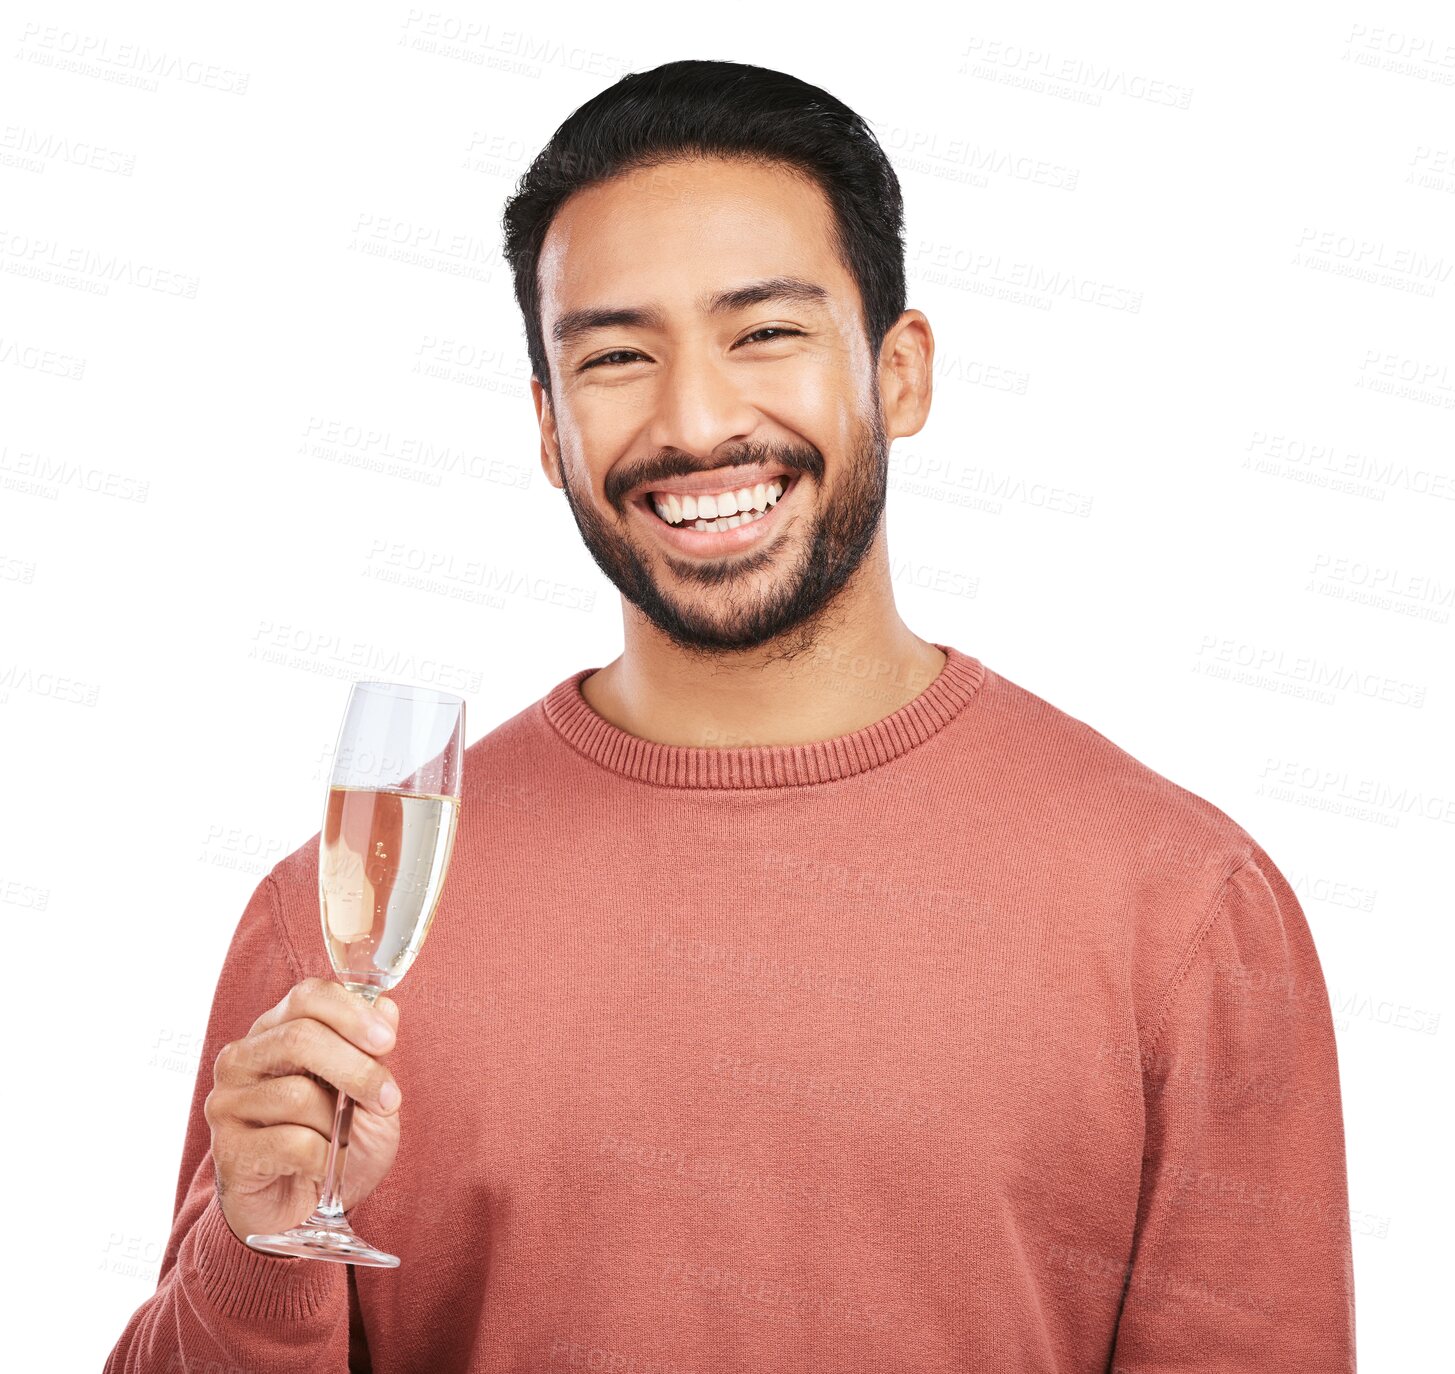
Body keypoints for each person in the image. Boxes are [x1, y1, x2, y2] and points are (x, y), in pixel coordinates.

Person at [106, 59, 1356, 1371]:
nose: (696, 421)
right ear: (547, 429)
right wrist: (261, 1255)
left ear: (902, 371)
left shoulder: (1183, 907)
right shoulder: (337, 917)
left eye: (765, 332)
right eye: (617, 356)